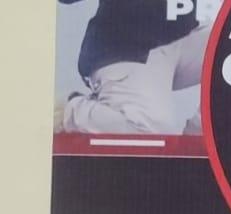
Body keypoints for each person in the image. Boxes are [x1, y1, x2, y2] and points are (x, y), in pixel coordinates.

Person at [57, 0, 212, 134]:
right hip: (126, 48)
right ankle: (71, 112)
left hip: (182, 36)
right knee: (150, 130)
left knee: (226, 44)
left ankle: (201, 135)